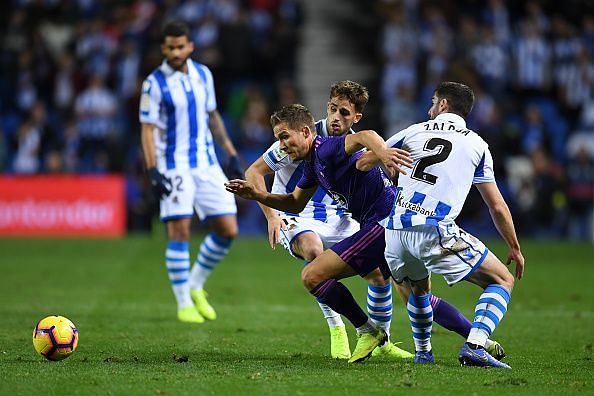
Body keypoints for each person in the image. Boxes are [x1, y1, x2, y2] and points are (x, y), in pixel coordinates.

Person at [228, 103, 484, 364]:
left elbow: (365, 135)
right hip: (393, 223)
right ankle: (478, 339)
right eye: (278, 139)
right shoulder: (312, 164)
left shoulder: (326, 148)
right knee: (416, 296)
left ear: (306, 132)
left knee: (312, 275)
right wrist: (258, 195)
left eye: (284, 137)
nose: (281, 146)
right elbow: (294, 203)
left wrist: (383, 152)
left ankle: (368, 332)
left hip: (382, 224)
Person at [244, 81, 412, 360]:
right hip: (297, 216)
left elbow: (370, 147)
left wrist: (387, 165)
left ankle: (382, 342)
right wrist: (271, 217)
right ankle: (337, 329)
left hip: (339, 216)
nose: (336, 117)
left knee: (379, 275)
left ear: (355, 117)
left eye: (343, 113)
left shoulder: (352, 142)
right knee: (313, 251)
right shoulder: (299, 136)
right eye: (332, 109)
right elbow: (254, 172)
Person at [375, 82, 524, 368]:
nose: (430, 108)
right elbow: (496, 206)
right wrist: (514, 247)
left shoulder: (413, 131)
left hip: (394, 231)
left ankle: (423, 353)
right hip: (434, 228)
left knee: (418, 288)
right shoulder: (477, 145)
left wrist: (387, 165)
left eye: (433, 102)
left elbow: (368, 158)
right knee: (502, 279)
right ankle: (476, 345)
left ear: (443, 104)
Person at [139, 20, 243, 324]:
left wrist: (231, 153)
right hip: (173, 165)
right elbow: (147, 130)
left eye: (180, 46)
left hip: (207, 162)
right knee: (180, 230)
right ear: (163, 48)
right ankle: (183, 302)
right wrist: (152, 170)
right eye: (170, 47)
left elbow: (212, 116)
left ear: (190, 46)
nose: (176, 52)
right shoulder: (153, 83)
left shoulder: (203, 74)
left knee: (228, 230)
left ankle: (196, 284)